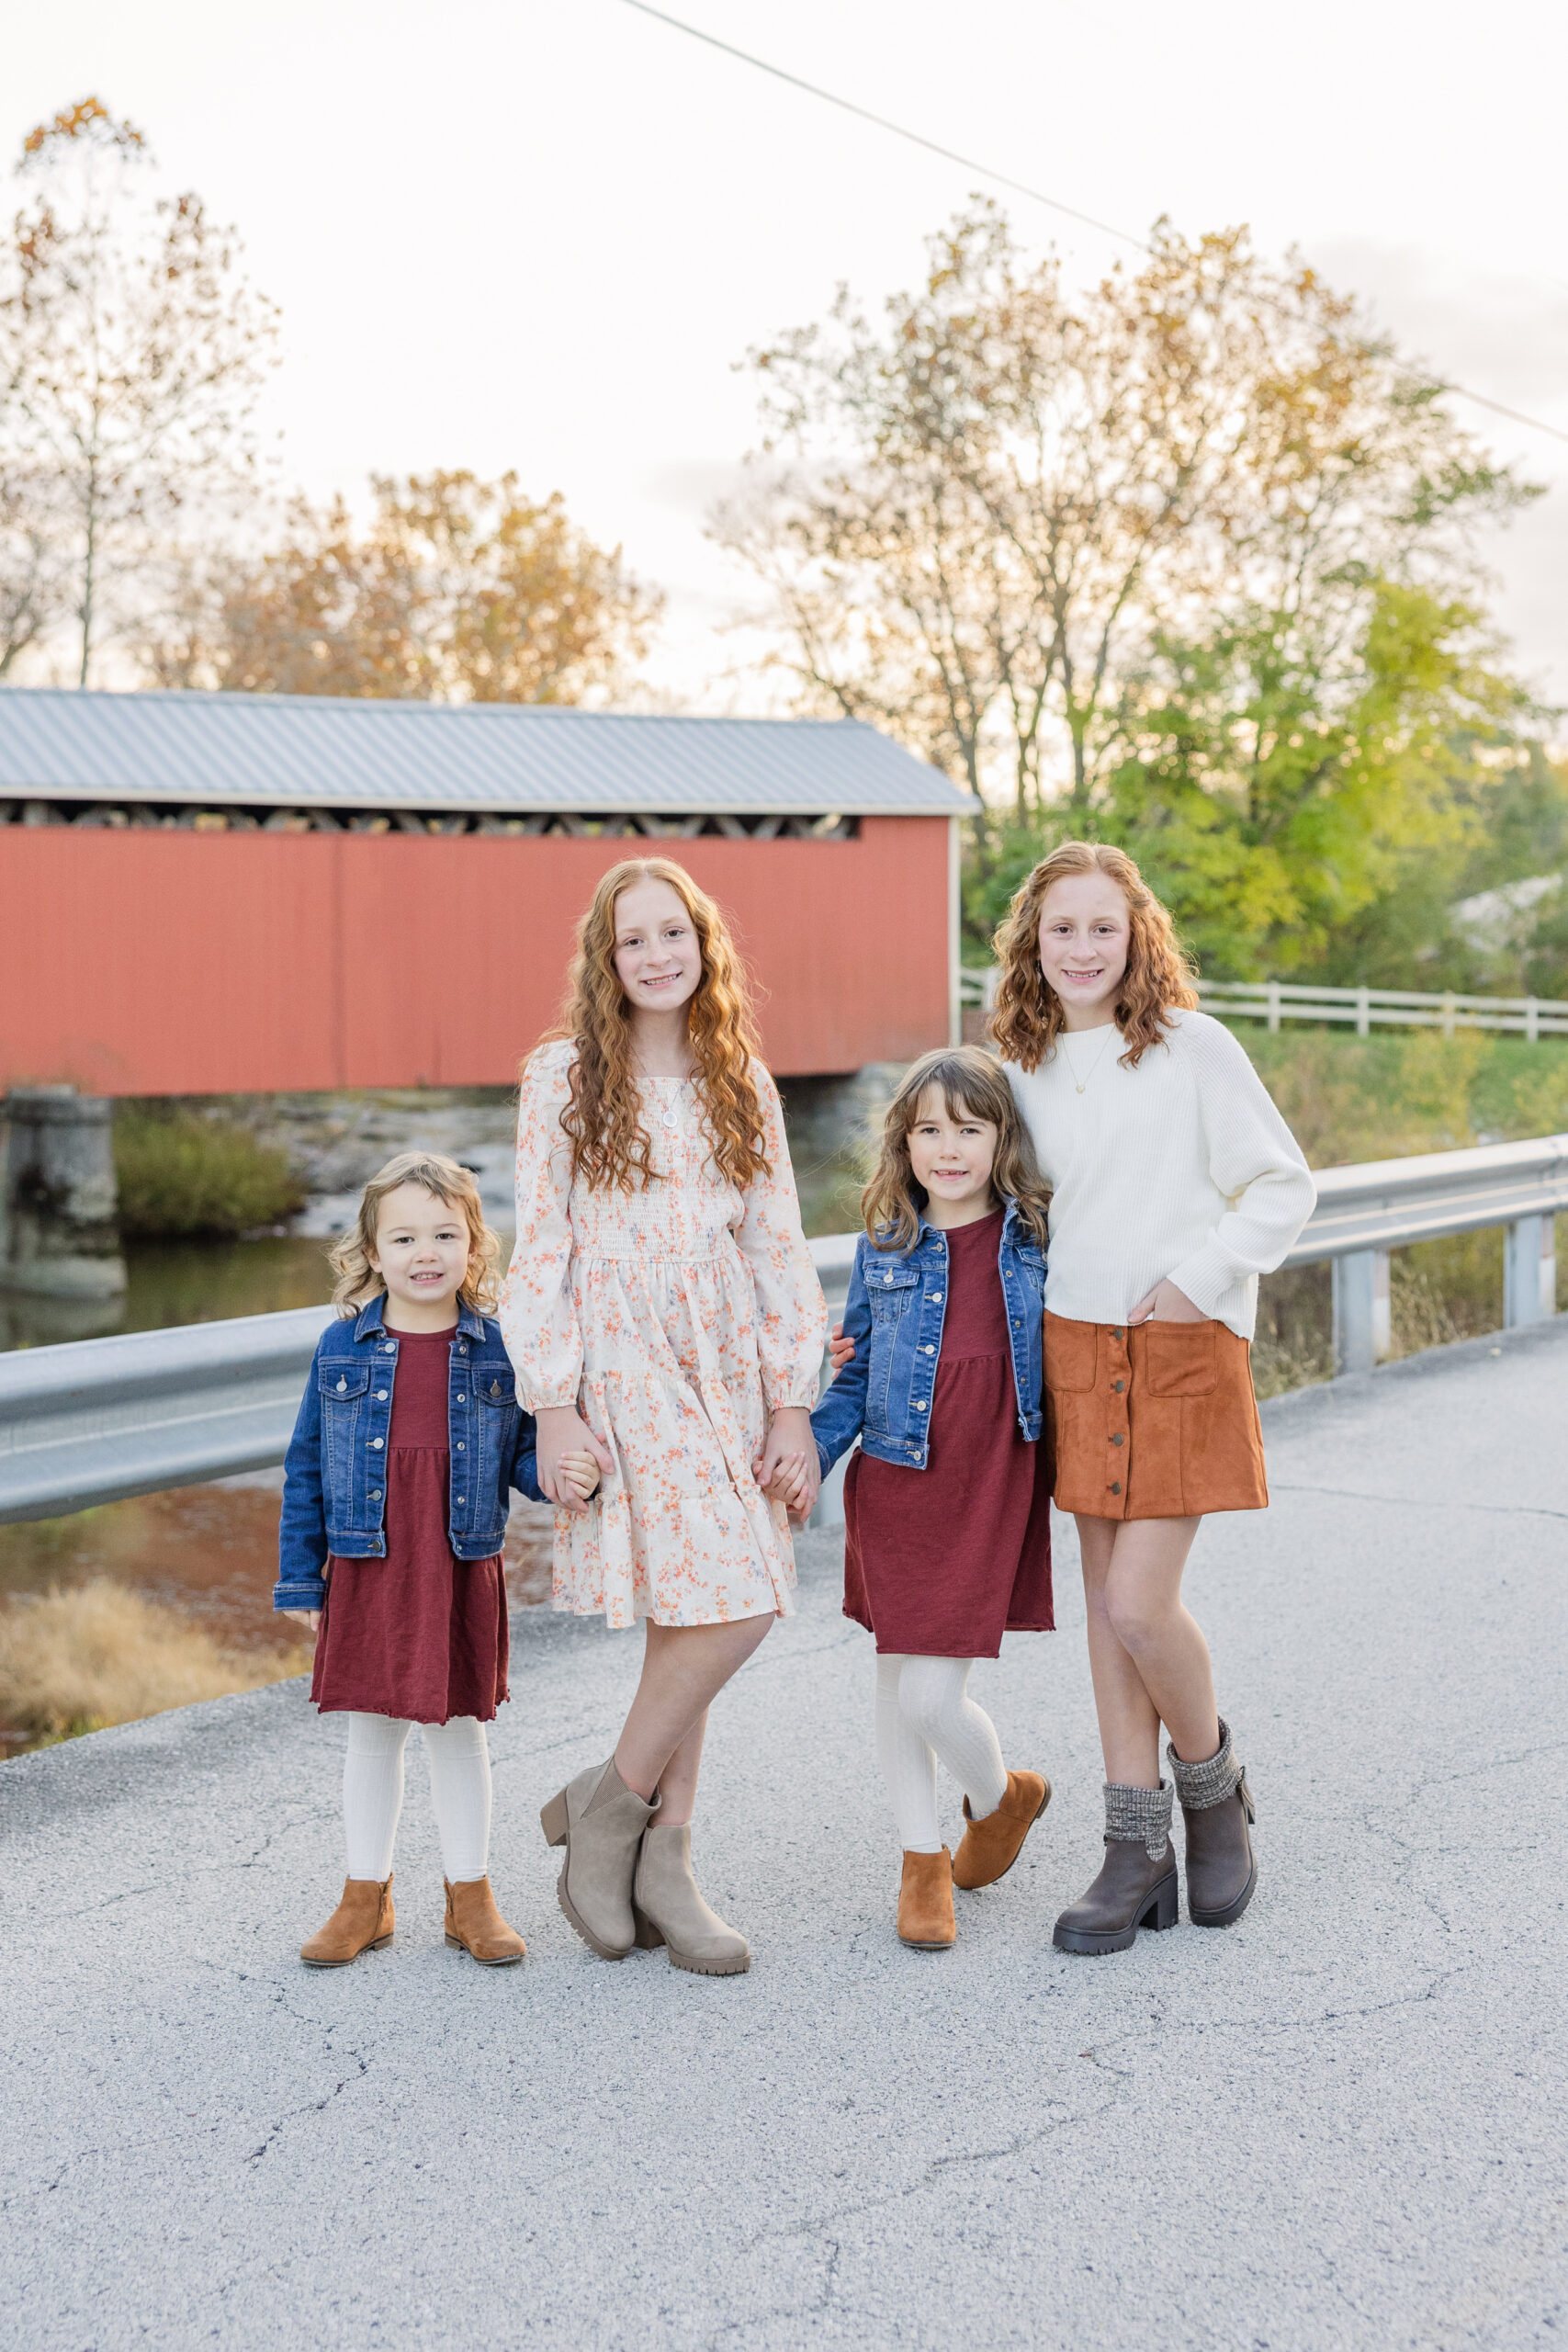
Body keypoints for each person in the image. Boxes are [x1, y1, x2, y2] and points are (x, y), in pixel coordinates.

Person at [500, 857, 827, 1978]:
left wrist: (792, 1404)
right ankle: (621, 1818)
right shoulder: (562, 1077)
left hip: (725, 1362)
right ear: (606, 957)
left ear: (704, 945)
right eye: (632, 938)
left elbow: (776, 1246)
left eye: (672, 933)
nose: (655, 954)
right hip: (623, 1357)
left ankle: (644, 1840)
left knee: (705, 1602)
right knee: (734, 1601)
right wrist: (551, 1405)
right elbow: (541, 1246)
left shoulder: (743, 1079)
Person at [992, 840, 1315, 1953]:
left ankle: (1212, 1786)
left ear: (1138, 937)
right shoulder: (1019, 1065)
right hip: (1076, 1349)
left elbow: (1281, 1183)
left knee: (1140, 1603)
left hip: (1179, 1342)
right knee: (1103, 1607)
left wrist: (1197, 1280)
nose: (1082, 947)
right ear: (1033, 940)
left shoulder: (1192, 1045)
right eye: (1062, 928)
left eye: (1103, 927)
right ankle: (1134, 1847)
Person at [275, 1153, 593, 1968]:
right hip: (367, 1561)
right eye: (405, 1237)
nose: (426, 1252)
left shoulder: (498, 1349)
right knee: (372, 1732)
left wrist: (562, 1477)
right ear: (372, 1253)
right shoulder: (342, 1346)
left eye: (445, 1234)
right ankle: (365, 1897)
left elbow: (524, 1457)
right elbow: (307, 1464)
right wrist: (301, 1576)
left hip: (455, 1561)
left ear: (475, 1245)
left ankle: (469, 1897)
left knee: (458, 1731)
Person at [811, 1046, 1054, 1951]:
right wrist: (808, 1450)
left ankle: (1000, 1800)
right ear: (903, 1142)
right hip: (897, 1477)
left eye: (969, 1128)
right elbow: (856, 1372)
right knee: (895, 1678)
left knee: (930, 1695)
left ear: (1003, 1138)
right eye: (928, 1130)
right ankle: (921, 1861)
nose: (948, 1149)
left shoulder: (1035, 1239)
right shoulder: (884, 1247)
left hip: (989, 1479)